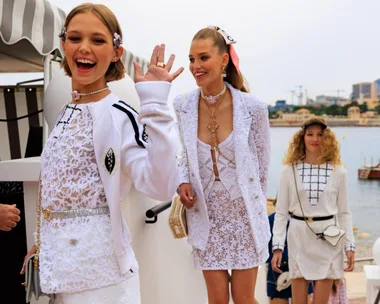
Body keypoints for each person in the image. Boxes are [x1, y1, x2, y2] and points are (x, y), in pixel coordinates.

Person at [20, 3, 182, 303]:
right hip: (60, 273)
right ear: (63, 44)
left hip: (102, 280)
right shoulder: (66, 113)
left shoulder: (119, 115)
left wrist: (155, 104)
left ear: (116, 52)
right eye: (75, 38)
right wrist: (42, 243)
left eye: (98, 40)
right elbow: (60, 191)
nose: (84, 48)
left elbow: (160, 185)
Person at [175, 26, 271, 304]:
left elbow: (262, 168)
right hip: (207, 216)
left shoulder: (253, 107)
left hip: (244, 219)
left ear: (224, 60)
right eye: (191, 59)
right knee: (217, 300)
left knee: (243, 299)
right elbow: (185, 155)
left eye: (203, 58)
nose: (195, 66)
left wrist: (256, 209)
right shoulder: (182, 105)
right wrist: (182, 181)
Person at [271, 117, 355, 304]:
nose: (315, 139)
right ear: (302, 138)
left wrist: (350, 245)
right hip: (299, 236)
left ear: (328, 139)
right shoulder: (289, 170)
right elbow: (281, 212)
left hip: (330, 237)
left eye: (320, 135)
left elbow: (344, 213)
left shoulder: (339, 171)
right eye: (310, 134)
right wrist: (277, 247)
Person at [267, 204, 313, 303]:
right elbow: (266, 250)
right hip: (277, 276)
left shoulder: (308, 219)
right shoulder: (271, 220)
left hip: (303, 273)